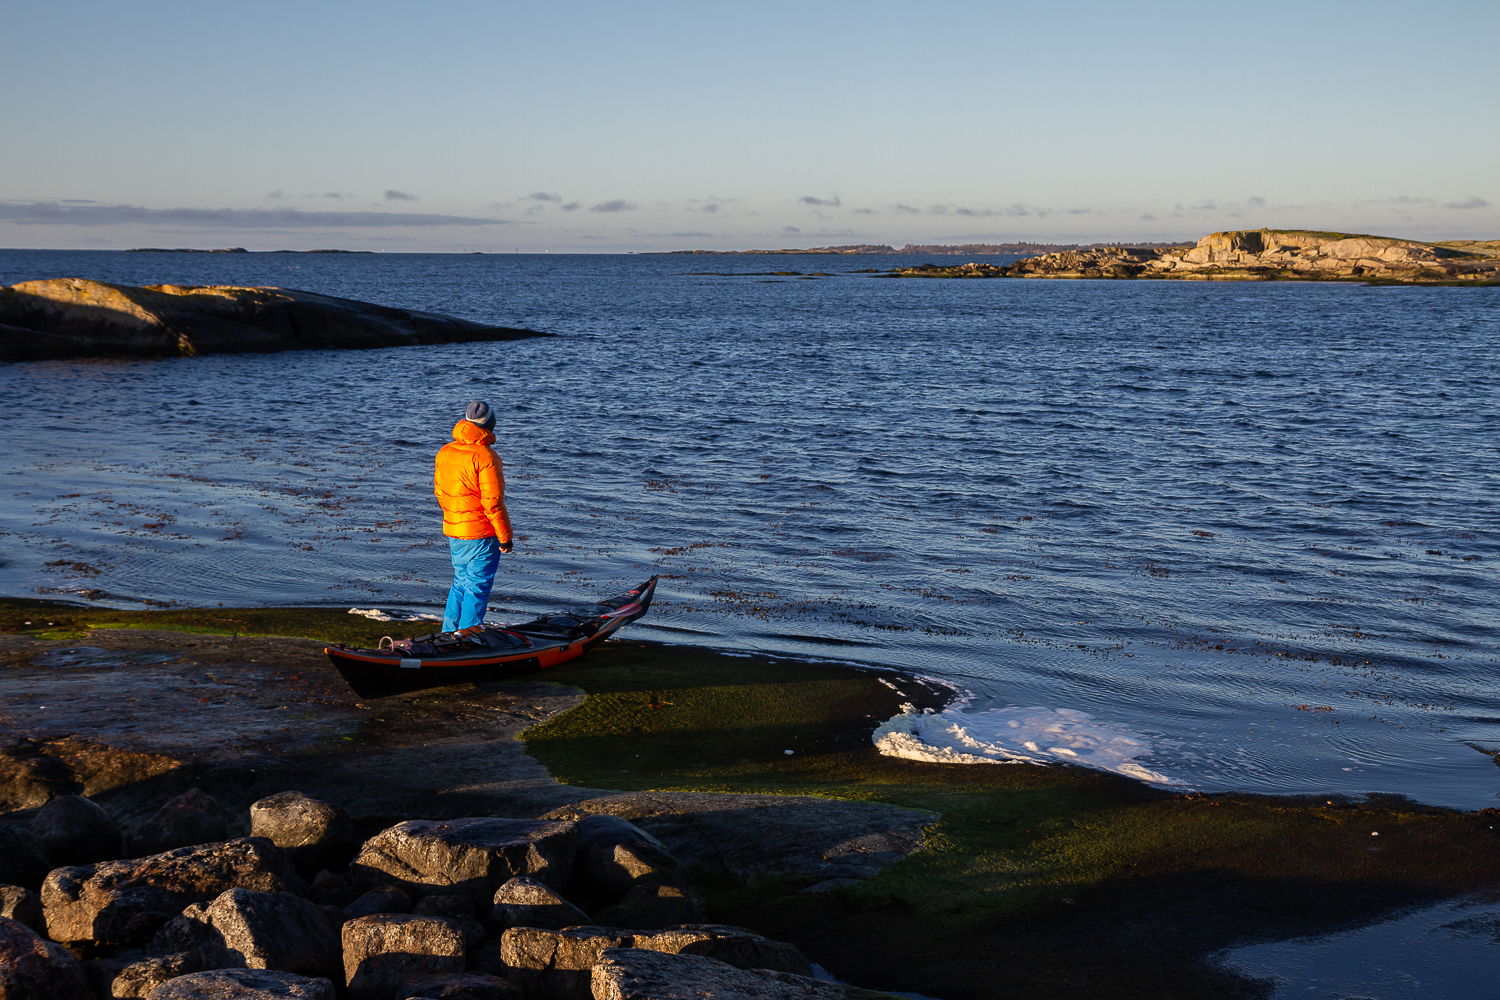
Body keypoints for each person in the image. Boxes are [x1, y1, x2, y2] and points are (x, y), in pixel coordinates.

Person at [434, 400, 514, 632]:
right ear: (490, 425)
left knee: (460, 582)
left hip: (454, 529)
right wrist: (505, 537)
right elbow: (493, 503)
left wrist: (454, 518)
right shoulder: (486, 456)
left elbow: (440, 491)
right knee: (478, 586)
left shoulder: (445, 451)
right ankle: (468, 635)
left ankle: (449, 633)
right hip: (481, 533)